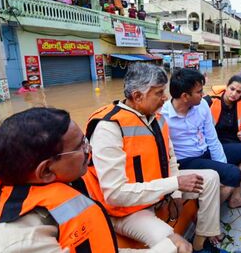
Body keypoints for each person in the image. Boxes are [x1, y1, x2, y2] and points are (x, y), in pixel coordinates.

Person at [83, 63, 222, 252]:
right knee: (177, 246)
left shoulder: (157, 117)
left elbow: (170, 158)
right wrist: (174, 184)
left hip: (156, 191)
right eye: (159, 93)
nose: (165, 98)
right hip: (128, 211)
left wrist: (176, 194)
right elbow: (115, 195)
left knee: (211, 178)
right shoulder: (109, 128)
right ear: (138, 96)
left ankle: (202, 239)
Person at [0, 108, 119, 252]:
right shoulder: (21, 243)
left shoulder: (24, 179)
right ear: (45, 171)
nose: (89, 148)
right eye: (80, 145)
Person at [161, 68, 241, 209]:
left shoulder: (202, 105)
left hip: (205, 151)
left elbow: (212, 138)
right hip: (186, 160)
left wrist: (222, 165)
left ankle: (235, 198)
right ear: (185, 96)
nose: (203, 94)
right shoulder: (162, 115)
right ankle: (208, 210)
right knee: (233, 174)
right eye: (199, 92)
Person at [203, 75, 241, 198]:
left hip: (234, 138)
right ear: (226, 87)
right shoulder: (210, 101)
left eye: (238, 92)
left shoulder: (240, 103)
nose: (234, 94)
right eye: (232, 89)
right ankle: (238, 191)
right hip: (218, 141)